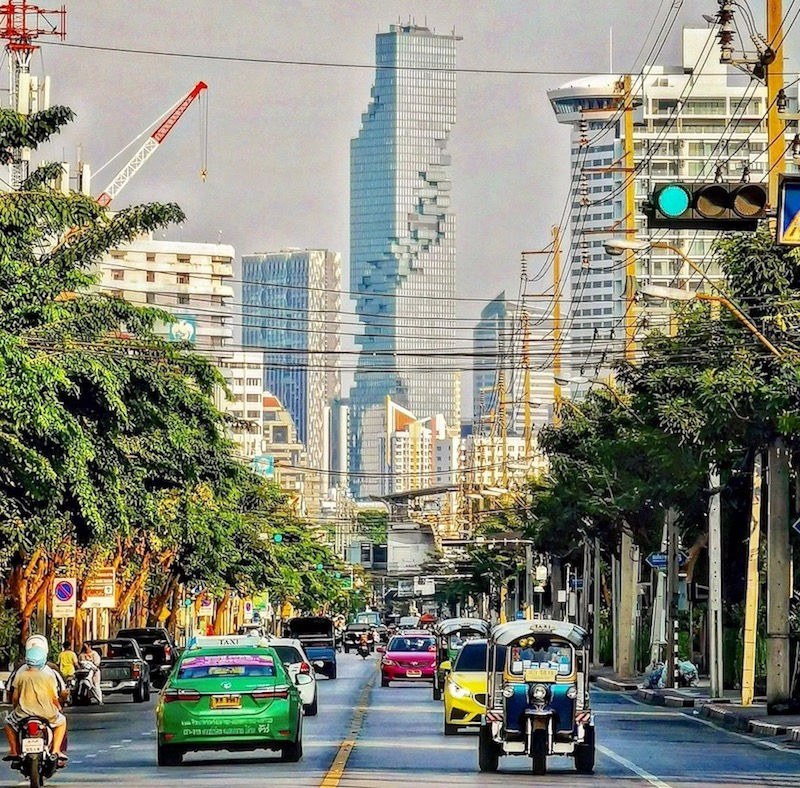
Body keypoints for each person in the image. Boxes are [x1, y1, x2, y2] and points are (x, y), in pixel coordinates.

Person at [3, 637, 67, 764]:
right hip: (47, 714)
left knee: (8, 722)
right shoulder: (50, 673)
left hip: (23, 713)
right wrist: (59, 706)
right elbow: (56, 696)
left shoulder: (19, 673)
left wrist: (15, 707)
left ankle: (14, 751)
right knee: (62, 721)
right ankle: (56, 751)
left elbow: (14, 696)